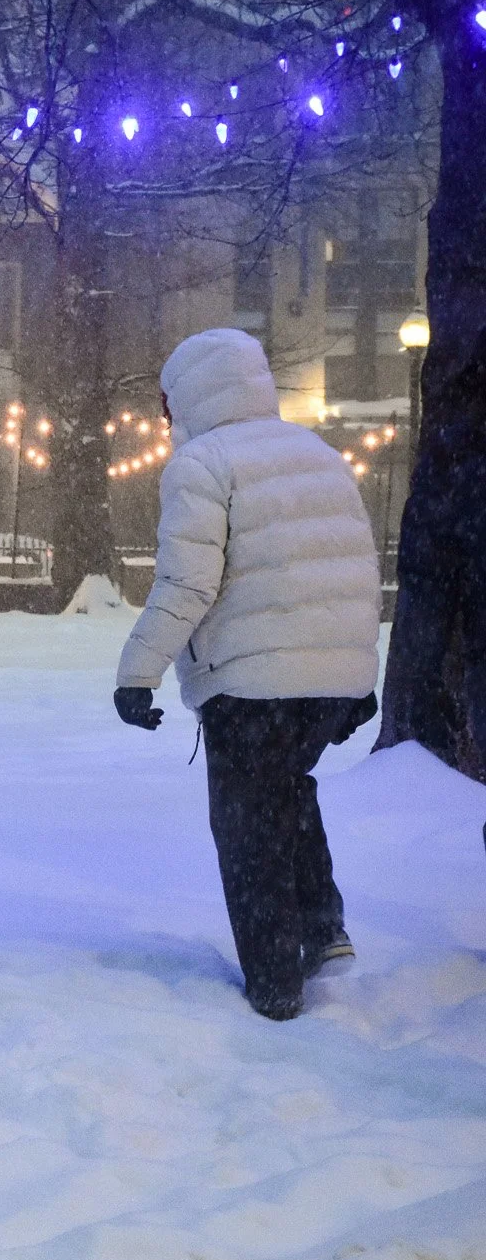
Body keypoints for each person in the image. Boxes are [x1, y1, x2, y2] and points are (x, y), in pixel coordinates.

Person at [113, 328, 381, 1022]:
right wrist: (356, 673)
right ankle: (323, 932)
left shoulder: (204, 463)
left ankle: (273, 986)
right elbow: (355, 565)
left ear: (190, 396)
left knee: (245, 827)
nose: (164, 421)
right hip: (331, 680)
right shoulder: (319, 454)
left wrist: (136, 673)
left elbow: (186, 584)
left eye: (166, 405)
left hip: (251, 682)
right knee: (288, 789)